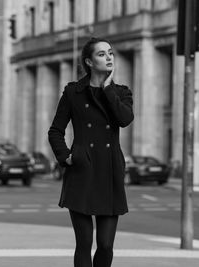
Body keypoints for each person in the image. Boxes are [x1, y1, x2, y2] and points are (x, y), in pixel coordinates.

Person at [48, 37, 134, 267]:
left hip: (109, 171)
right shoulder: (73, 93)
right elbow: (55, 130)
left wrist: (107, 90)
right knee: (84, 243)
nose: (109, 57)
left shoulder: (121, 93)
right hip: (82, 170)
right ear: (89, 61)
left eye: (110, 53)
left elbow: (125, 119)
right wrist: (66, 156)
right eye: (101, 54)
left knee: (105, 245)